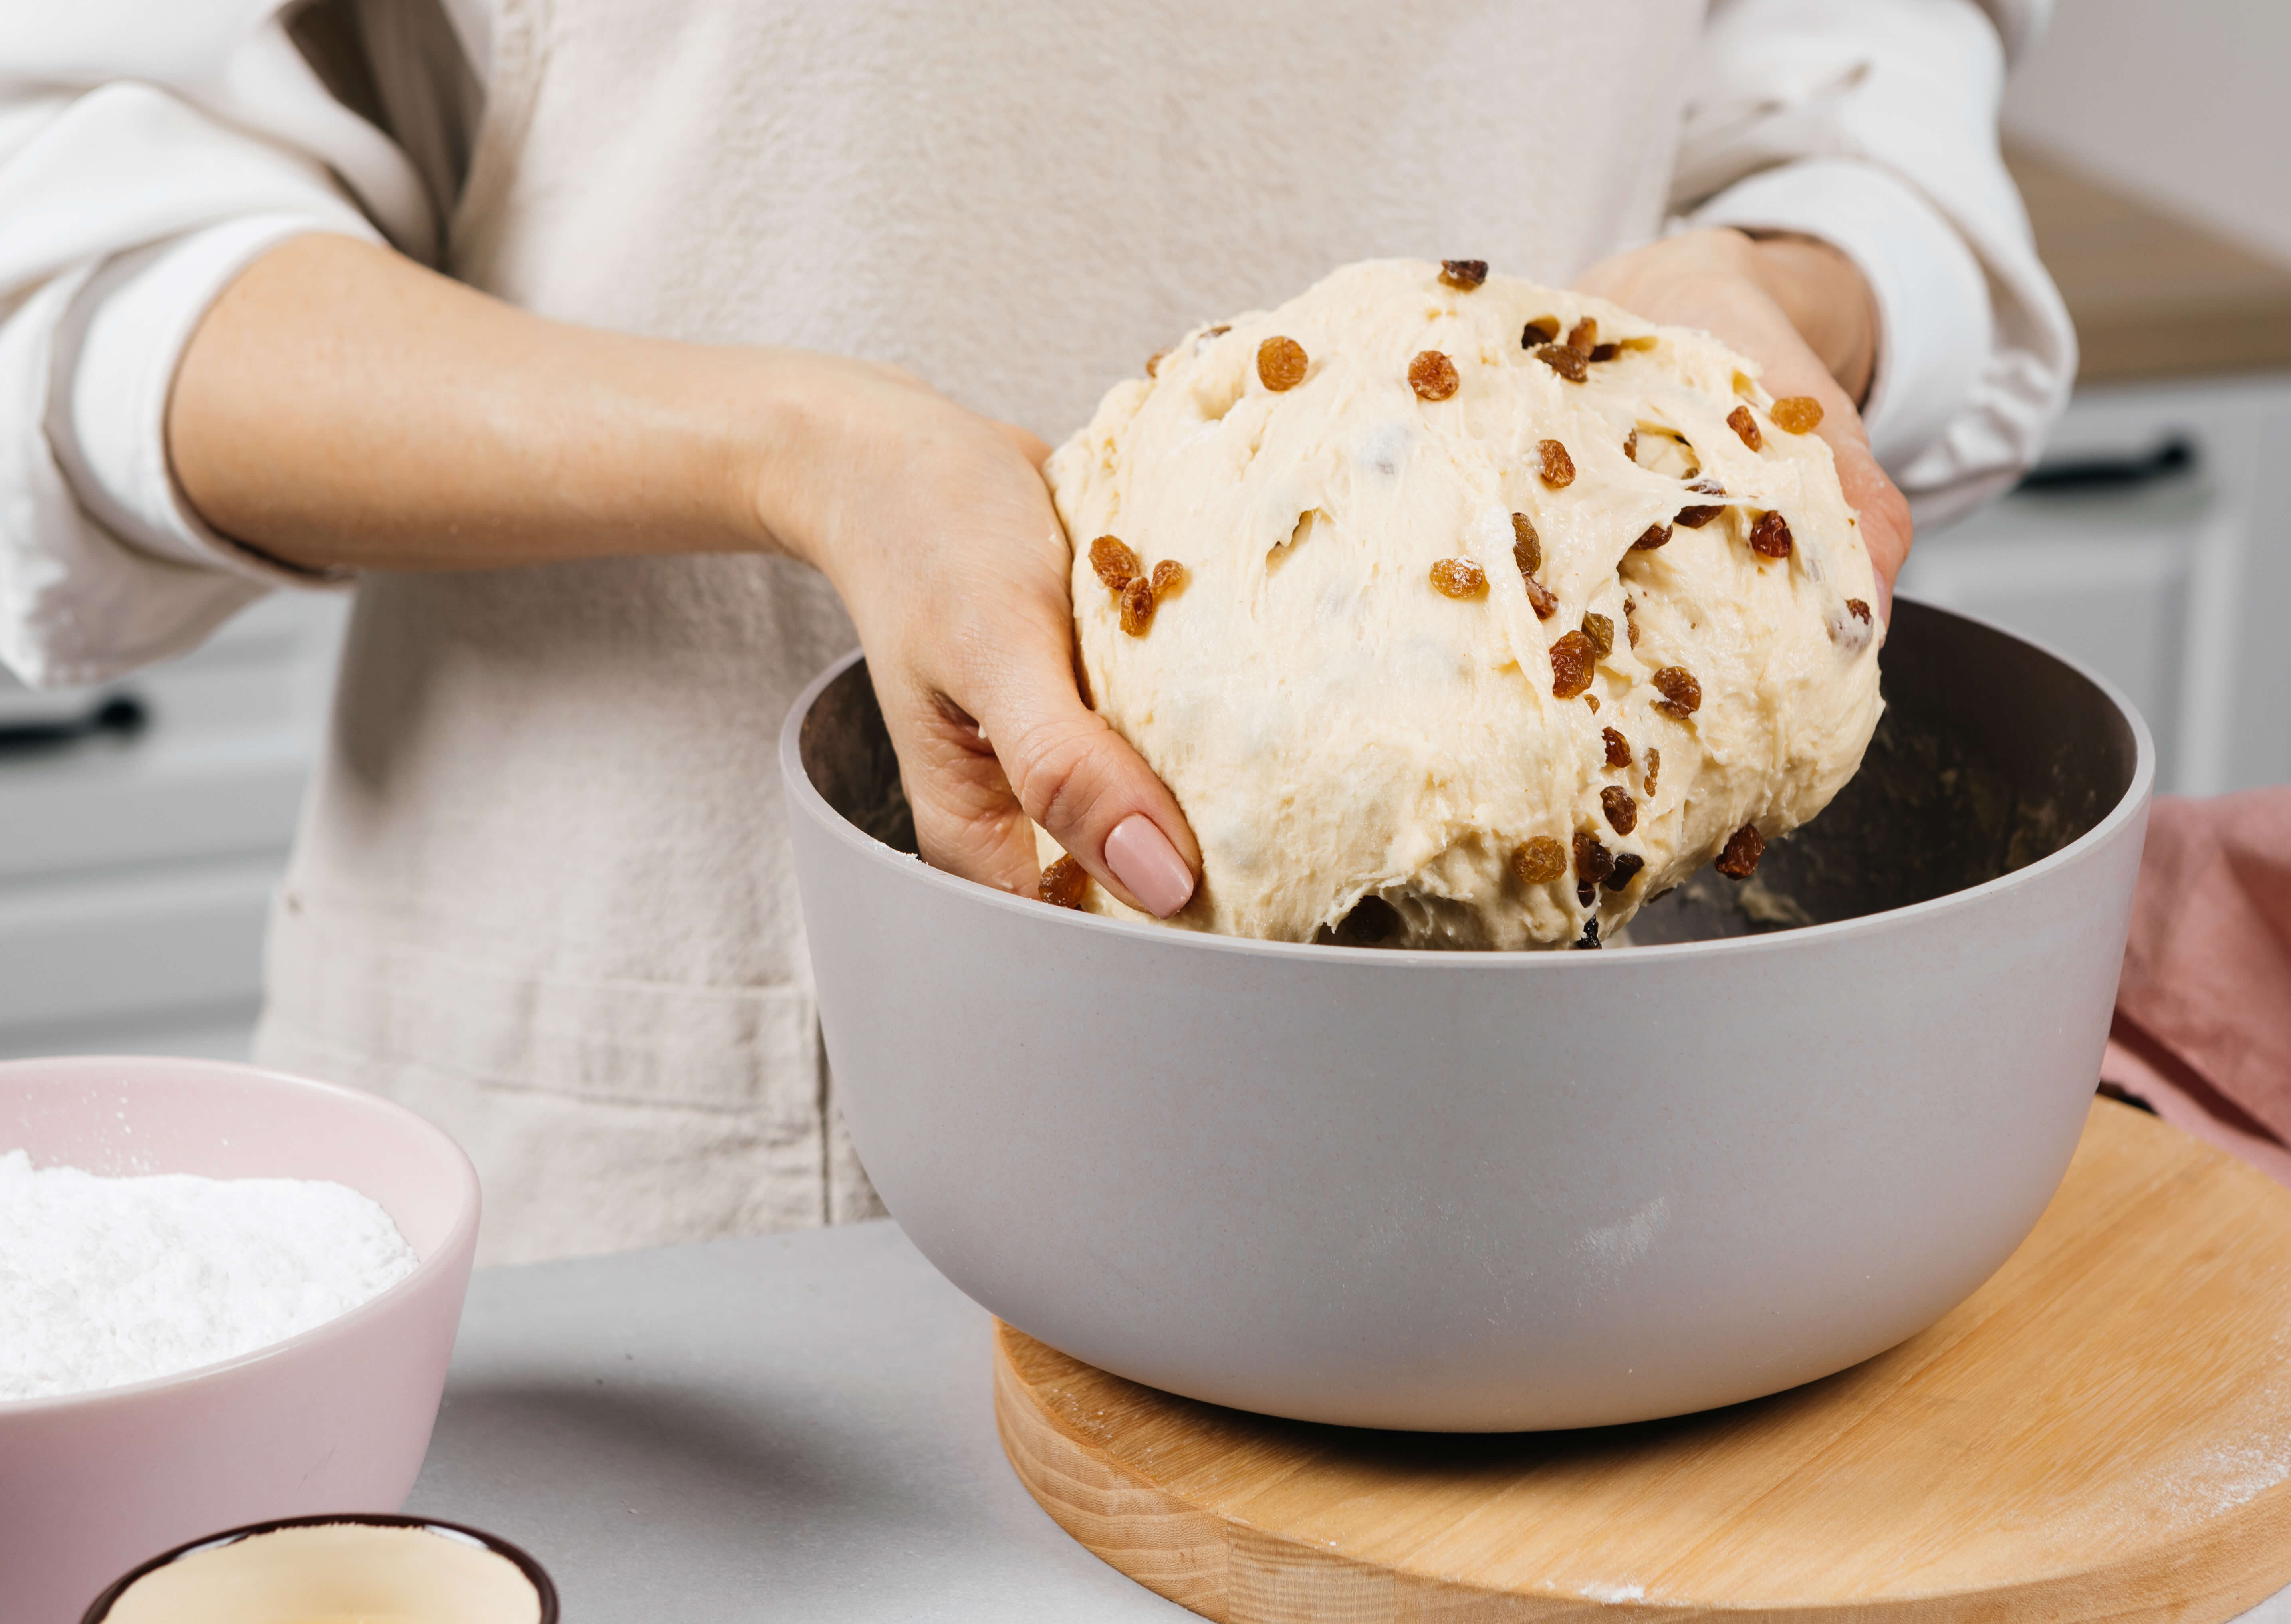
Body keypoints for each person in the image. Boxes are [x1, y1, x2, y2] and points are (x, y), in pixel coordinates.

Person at [0, 0, 2073, 1263]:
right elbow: (76, 257)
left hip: (1552, 1145)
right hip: (666, 1125)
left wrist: (1776, 294)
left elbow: (1861, 74)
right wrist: (801, 454)